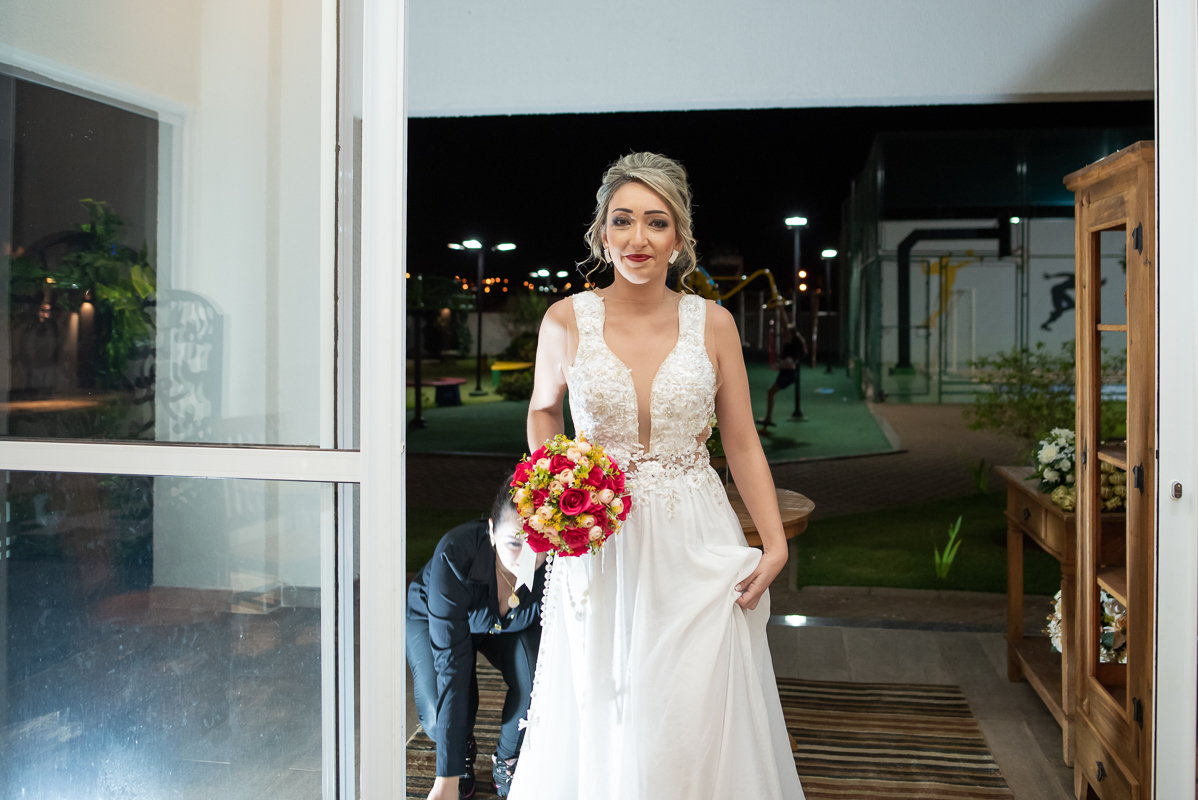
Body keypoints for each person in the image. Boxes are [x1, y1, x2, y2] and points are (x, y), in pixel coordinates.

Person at [513, 153, 805, 798]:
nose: (637, 238)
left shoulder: (715, 323)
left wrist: (773, 543)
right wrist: (556, 475)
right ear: (602, 232)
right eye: (622, 220)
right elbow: (542, 408)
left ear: (679, 237)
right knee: (607, 699)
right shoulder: (565, 319)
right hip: (601, 542)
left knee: (692, 707)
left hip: (695, 538)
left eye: (656, 221)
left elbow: (742, 441)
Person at [407, 474, 549, 799]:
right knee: (439, 713)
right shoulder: (454, 555)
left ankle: (507, 760)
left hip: (508, 627)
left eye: (538, 542)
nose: (526, 557)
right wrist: (446, 777)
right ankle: (461, 748)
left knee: (537, 682)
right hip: (436, 619)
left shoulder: (553, 563)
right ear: (491, 531)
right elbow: (452, 669)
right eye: (515, 542)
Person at [757, 322, 807, 428]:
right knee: (770, 392)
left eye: (787, 333)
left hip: (789, 374)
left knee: (771, 392)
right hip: (784, 373)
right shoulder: (787, 346)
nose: (785, 335)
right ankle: (768, 418)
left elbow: (791, 365)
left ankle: (768, 418)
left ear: (791, 334)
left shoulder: (793, 347)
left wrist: (779, 366)